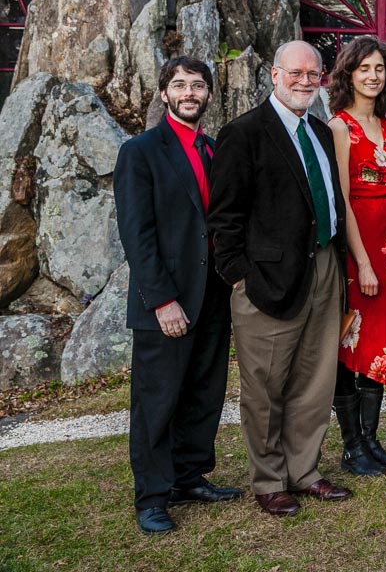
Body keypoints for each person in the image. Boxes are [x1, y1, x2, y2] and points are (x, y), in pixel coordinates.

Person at [209, 40, 352, 517]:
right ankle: (269, 479)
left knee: (315, 379)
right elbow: (224, 216)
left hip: (324, 267)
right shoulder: (243, 133)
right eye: (296, 73)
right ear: (274, 75)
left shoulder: (321, 132)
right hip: (266, 280)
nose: (305, 81)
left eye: (314, 74)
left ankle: (304, 471)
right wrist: (238, 276)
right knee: (266, 385)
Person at [114, 57, 242, 535]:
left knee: (204, 391)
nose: (190, 92)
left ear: (209, 94)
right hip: (167, 298)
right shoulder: (141, 151)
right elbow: (137, 234)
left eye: (198, 85)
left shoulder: (212, 148)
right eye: (180, 85)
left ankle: (189, 478)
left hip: (212, 292)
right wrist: (161, 300)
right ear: (164, 93)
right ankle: (151, 496)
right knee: (157, 399)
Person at [326, 37, 386, 477]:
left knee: (381, 341)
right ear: (348, 74)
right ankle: (351, 444)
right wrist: (364, 262)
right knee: (351, 342)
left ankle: (373, 440)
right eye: (364, 69)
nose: (372, 76)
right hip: (363, 249)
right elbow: (343, 201)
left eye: (379, 68)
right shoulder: (340, 127)